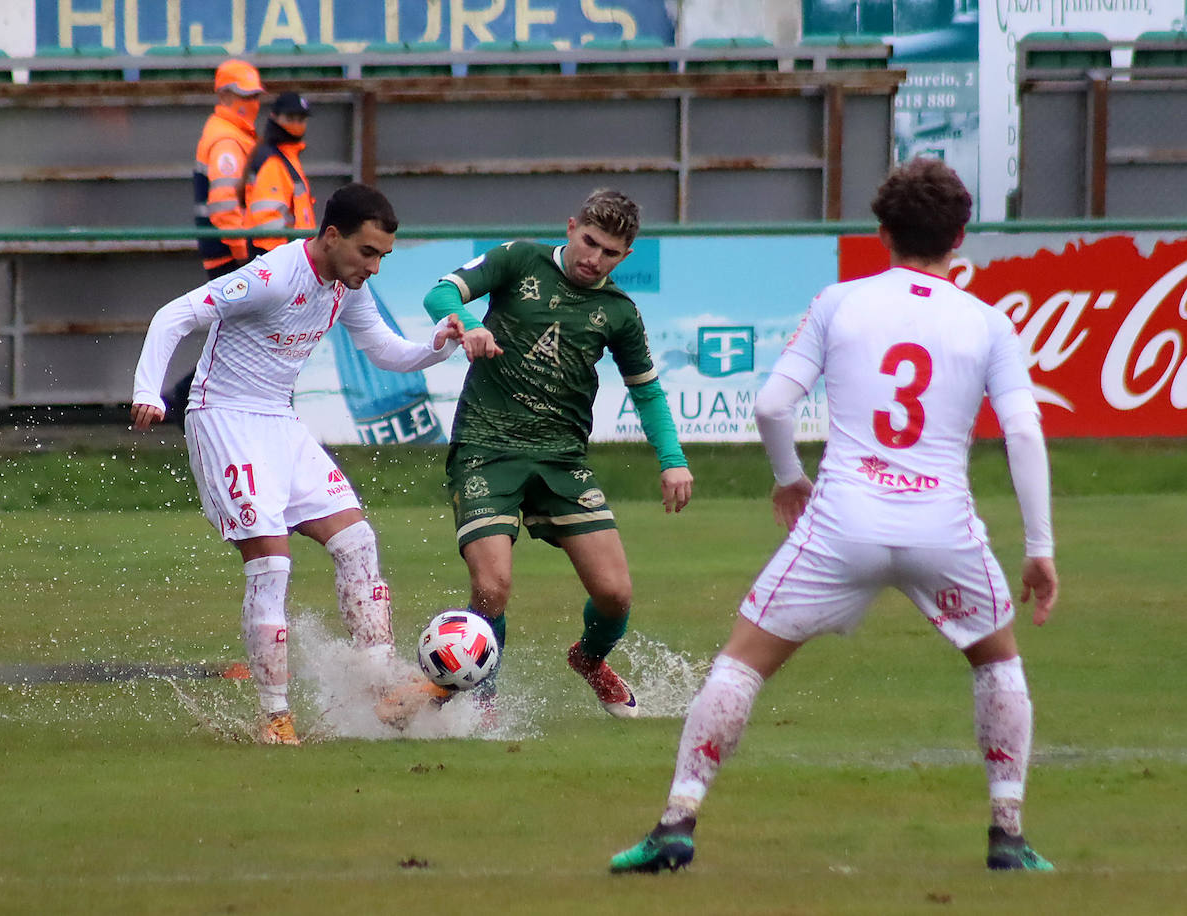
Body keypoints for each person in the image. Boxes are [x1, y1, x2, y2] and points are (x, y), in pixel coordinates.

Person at [609, 158, 1059, 873]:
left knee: (742, 664)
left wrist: (790, 478)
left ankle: (676, 822)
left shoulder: (840, 302)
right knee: (997, 663)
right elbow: (1025, 434)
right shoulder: (988, 322)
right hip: (942, 526)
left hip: (842, 520)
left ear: (881, 232)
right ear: (961, 237)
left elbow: (771, 405)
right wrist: (1040, 547)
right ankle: (1007, 834)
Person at [131, 183, 465, 746]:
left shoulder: (346, 284)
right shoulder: (273, 276)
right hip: (226, 419)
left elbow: (384, 351)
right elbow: (174, 316)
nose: (375, 267)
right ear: (332, 236)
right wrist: (148, 391)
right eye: (368, 252)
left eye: (384, 255)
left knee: (357, 541)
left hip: (278, 423)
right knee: (273, 566)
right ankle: (276, 719)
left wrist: (439, 345)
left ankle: (379, 686)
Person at [421, 188, 695, 718]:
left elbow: (647, 391)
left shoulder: (618, 312)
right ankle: (482, 693)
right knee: (492, 585)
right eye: (589, 242)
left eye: (610, 253)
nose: (594, 258)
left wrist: (673, 460)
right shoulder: (519, 259)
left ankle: (590, 660)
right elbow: (441, 293)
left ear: (625, 257)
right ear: (571, 227)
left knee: (615, 595)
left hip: (562, 460)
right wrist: (469, 322)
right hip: (487, 448)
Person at [168, 58, 265, 428]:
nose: (252, 102)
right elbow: (225, 210)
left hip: (226, 251)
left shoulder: (231, 134)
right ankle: (183, 400)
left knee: (236, 334)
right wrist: (247, 258)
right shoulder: (227, 140)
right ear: (224, 94)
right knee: (238, 335)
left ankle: (186, 400)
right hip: (230, 254)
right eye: (245, 95)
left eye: (254, 95)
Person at [245, 91, 317, 256]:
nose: (296, 125)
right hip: (278, 255)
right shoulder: (273, 160)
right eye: (290, 118)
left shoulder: (287, 157)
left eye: (301, 119)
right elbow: (267, 219)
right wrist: (284, 258)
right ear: (274, 117)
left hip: (292, 254)